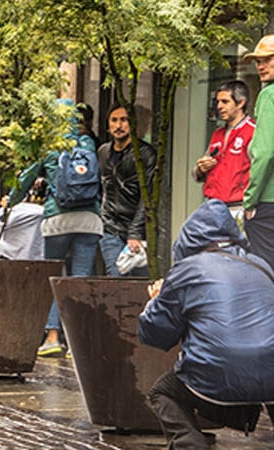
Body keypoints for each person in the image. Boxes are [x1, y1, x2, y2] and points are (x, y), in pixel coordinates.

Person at [138, 199, 274, 449]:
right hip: (270, 369)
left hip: (215, 372)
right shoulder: (261, 265)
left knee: (163, 393)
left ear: (188, 239)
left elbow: (155, 335)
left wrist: (155, 301)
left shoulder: (187, 270)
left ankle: (190, 444)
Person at [8, 101, 102, 357]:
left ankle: (52, 337)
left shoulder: (49, 147)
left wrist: (9, 201)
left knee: (55, 276)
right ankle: (77, 341)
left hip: (58, 219)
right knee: (80, 278)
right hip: (90, 219)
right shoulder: (87, 144)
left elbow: (26, 178)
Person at [98, 104, 157, 277]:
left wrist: (135, 232)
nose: (118, 125)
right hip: (110, 228)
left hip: (138, 228)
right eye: (114, 120)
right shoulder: (103, 152)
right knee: (115, 278)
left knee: (139, 283)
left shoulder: (145, 154)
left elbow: (148, 197)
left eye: (124, 120)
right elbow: (102, 189)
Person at [193, 80, 254, 220]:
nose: (219, 106)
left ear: (240, 103)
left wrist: (251, 205)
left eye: (225, 102)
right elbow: (196, 173)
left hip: (238, 208)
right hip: (211, 206)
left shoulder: (253, 132)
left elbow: (261, 172)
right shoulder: (217, 134)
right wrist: (200, 168)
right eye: (218, 102)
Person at [243, 34, 274, 270]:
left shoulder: (269, 95)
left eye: (269, 59)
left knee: (264, 272)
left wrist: (250, 201)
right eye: (258, 61)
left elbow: (265, 153)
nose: (260, 66)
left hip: (268, 201)